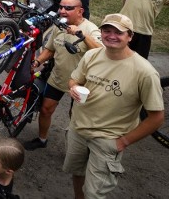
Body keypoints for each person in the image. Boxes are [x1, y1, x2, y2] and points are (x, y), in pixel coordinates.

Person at [63, 14, 164, 199]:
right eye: (107, 31)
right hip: (78, 129)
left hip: (107, 138)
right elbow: (74, 79)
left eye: (119, 32)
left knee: (94, 193)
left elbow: (156, 117)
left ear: (130, 36)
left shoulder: (145, 72)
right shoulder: (92, 55)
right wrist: (74, 87)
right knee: (77, 174)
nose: (111, 36)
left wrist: (123, 142)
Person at [23, 0, 102, 151]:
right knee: (46, 109)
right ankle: (42, 139)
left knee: (76, 117)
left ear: (80, 11)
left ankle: (75, 149)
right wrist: (37, 62)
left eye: (68, 8)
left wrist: (82, 35)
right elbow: (50, 49)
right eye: (61, 7)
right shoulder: (58, 27)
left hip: (82, 83)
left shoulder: (90, 29)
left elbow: (101, 51)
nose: (62, 11)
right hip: (59, 77)